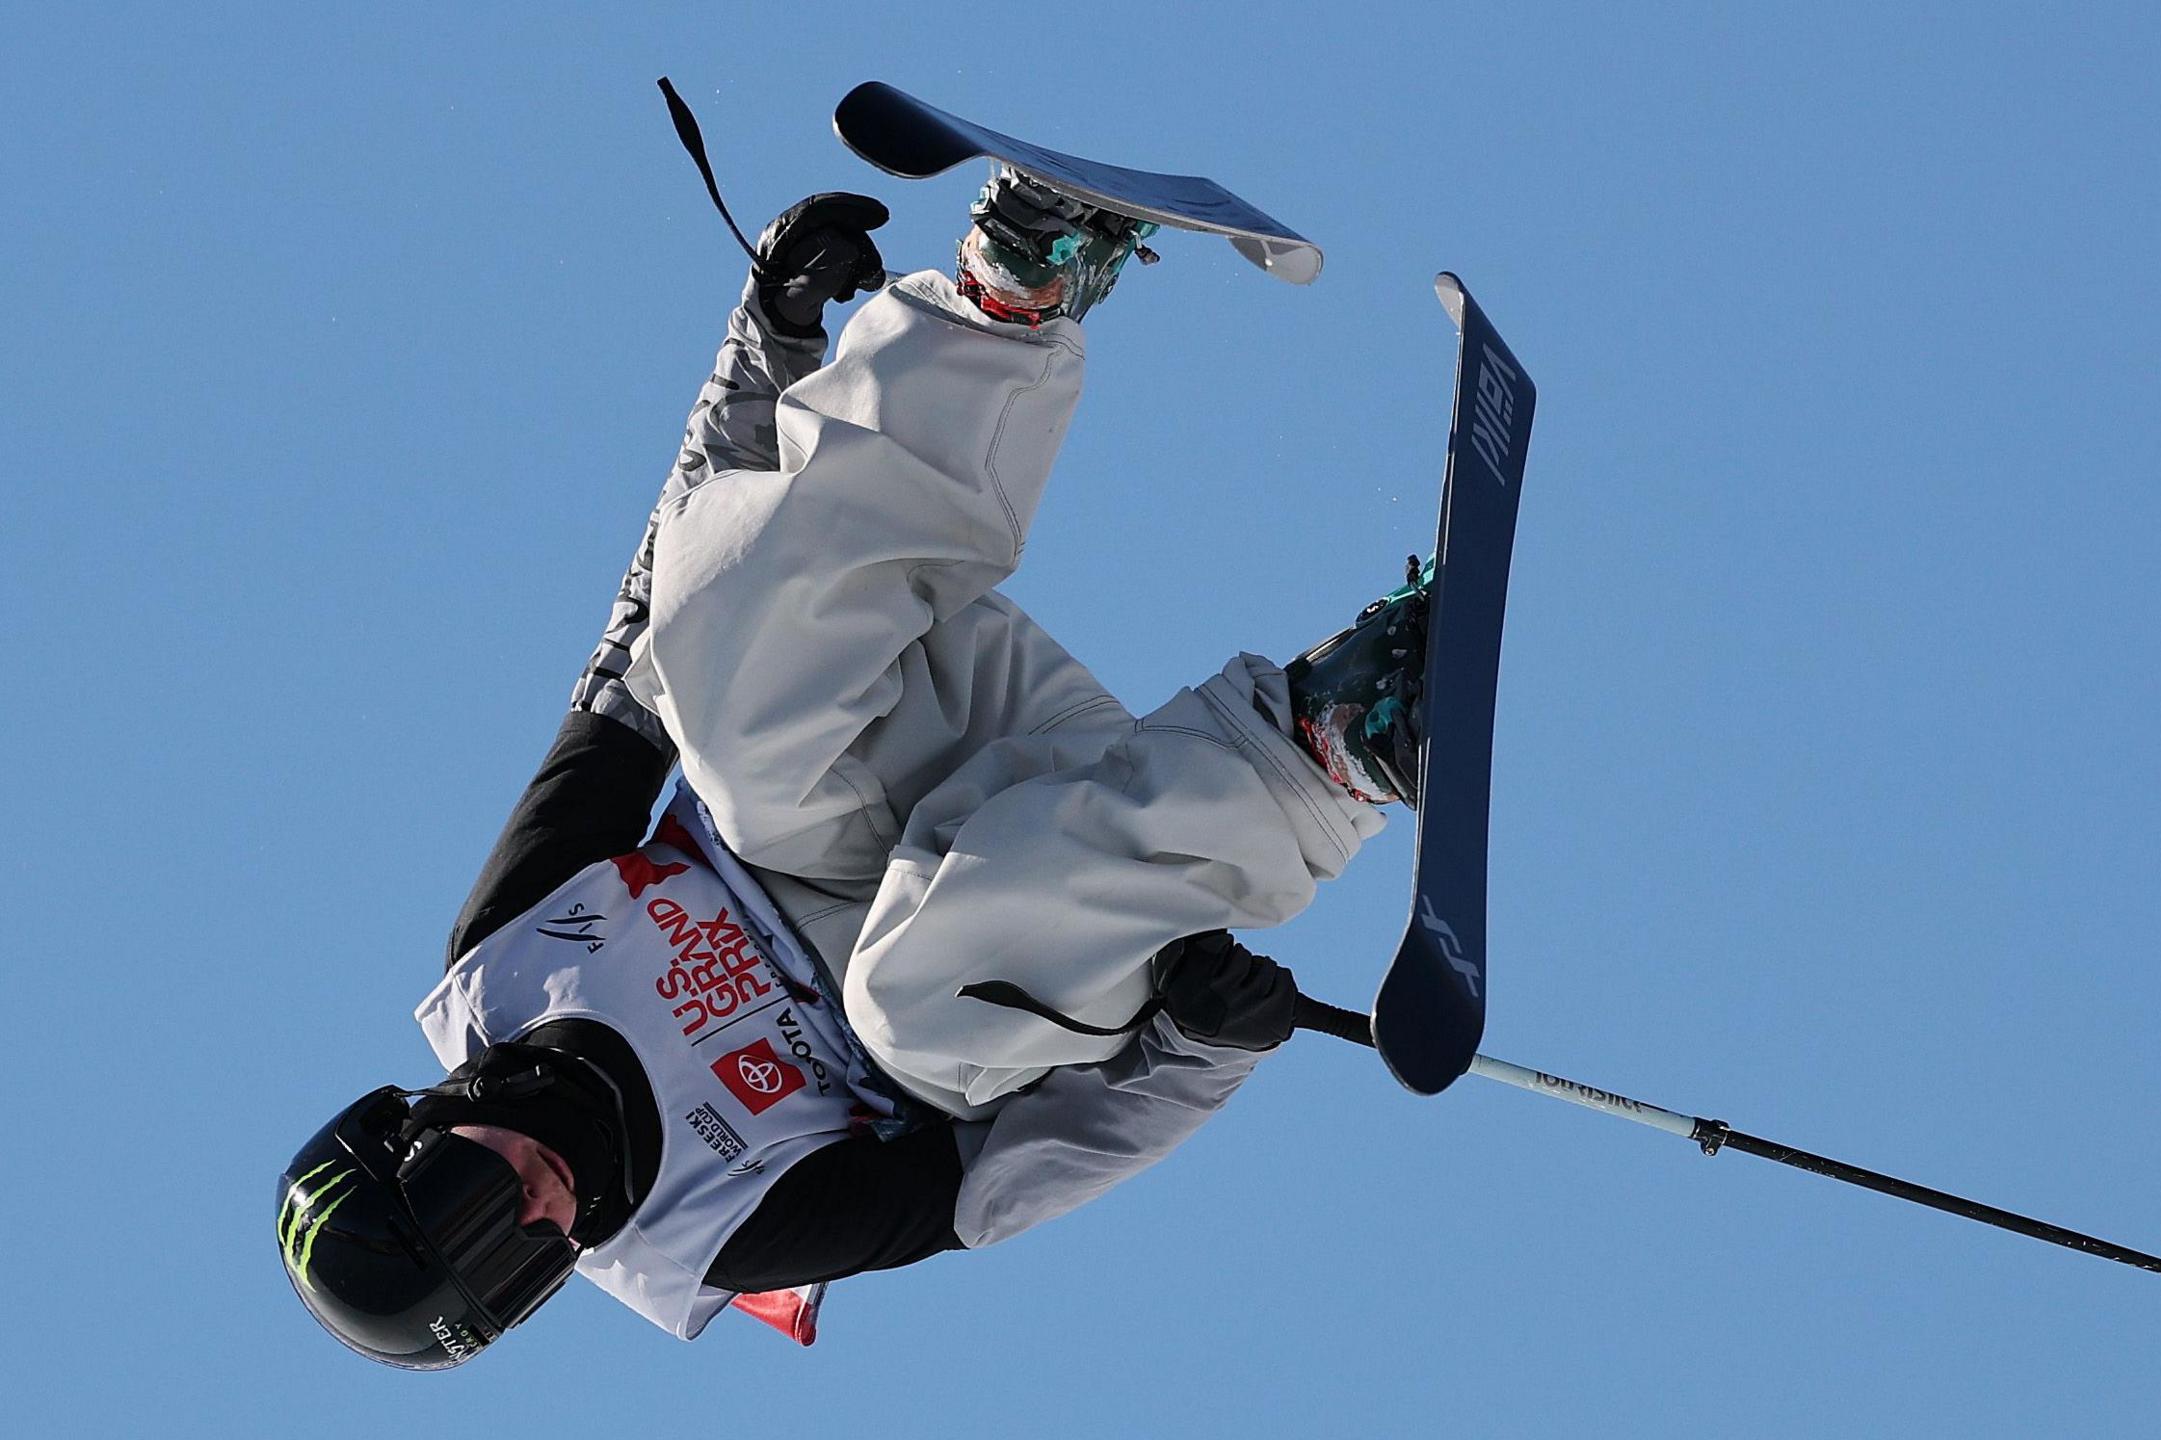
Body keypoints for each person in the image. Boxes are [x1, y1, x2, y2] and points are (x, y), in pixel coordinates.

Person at [275, 170, 1435, 1369]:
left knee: (730, 727)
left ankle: (1011, 298)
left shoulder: (509, 958)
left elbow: (657, 629)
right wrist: (1201, 1049)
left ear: (416, 1125)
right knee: (904, 999)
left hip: (913, 721)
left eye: (472, 1200)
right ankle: (1336, 744)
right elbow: (1003, 1183)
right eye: (521, 1263)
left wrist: (769, 336)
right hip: (1031, 922)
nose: (537, 1204)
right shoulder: (725, 1229)